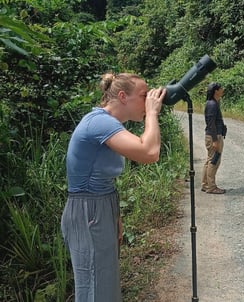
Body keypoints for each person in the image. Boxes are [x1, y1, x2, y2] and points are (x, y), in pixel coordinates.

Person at [61, 72, 166, 301]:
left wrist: (114, 215)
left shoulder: (109, 123)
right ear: (122, 96)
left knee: (104, 284)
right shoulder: (99, 122)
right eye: (143, 95)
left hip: (100, 207)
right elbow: (149, 152)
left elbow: (104, 179)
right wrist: (153, 113)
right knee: (94, 288)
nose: (148, 100)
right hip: (87, 211)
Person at [201, 82, 227, 194]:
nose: (222, 89)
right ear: (216, 91)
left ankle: (205, 184)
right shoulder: (212, 104)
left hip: (214, 135)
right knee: (214, 161)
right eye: (221, 88)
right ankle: (211, 187)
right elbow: (211, 124)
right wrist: (215, 141)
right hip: (214, 136)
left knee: (209, 160)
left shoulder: (214, 102)